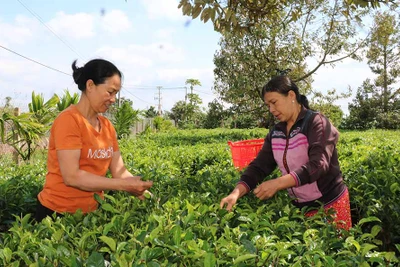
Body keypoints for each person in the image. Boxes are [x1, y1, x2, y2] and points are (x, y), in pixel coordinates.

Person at [220, 75, 352, 230]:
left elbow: (318, 165)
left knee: (336, 250)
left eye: (274, 102)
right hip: (301, 208)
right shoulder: (276, 133)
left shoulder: (316, 122)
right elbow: (259, 167)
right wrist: (236, 193)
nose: (271, 110)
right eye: (268, 105)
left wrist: (277, 183)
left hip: (331, 204)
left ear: (291, 95)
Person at [35, 59, 153, 222]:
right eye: (110, 92)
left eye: (116, 94)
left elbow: (119, 170)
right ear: (90, 85)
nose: (113, 99)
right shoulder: (69, 121)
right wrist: (123, 186)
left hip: (91, 214)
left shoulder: (107, 126)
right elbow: (72, 176)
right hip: (57, 214)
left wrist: (141, 188)